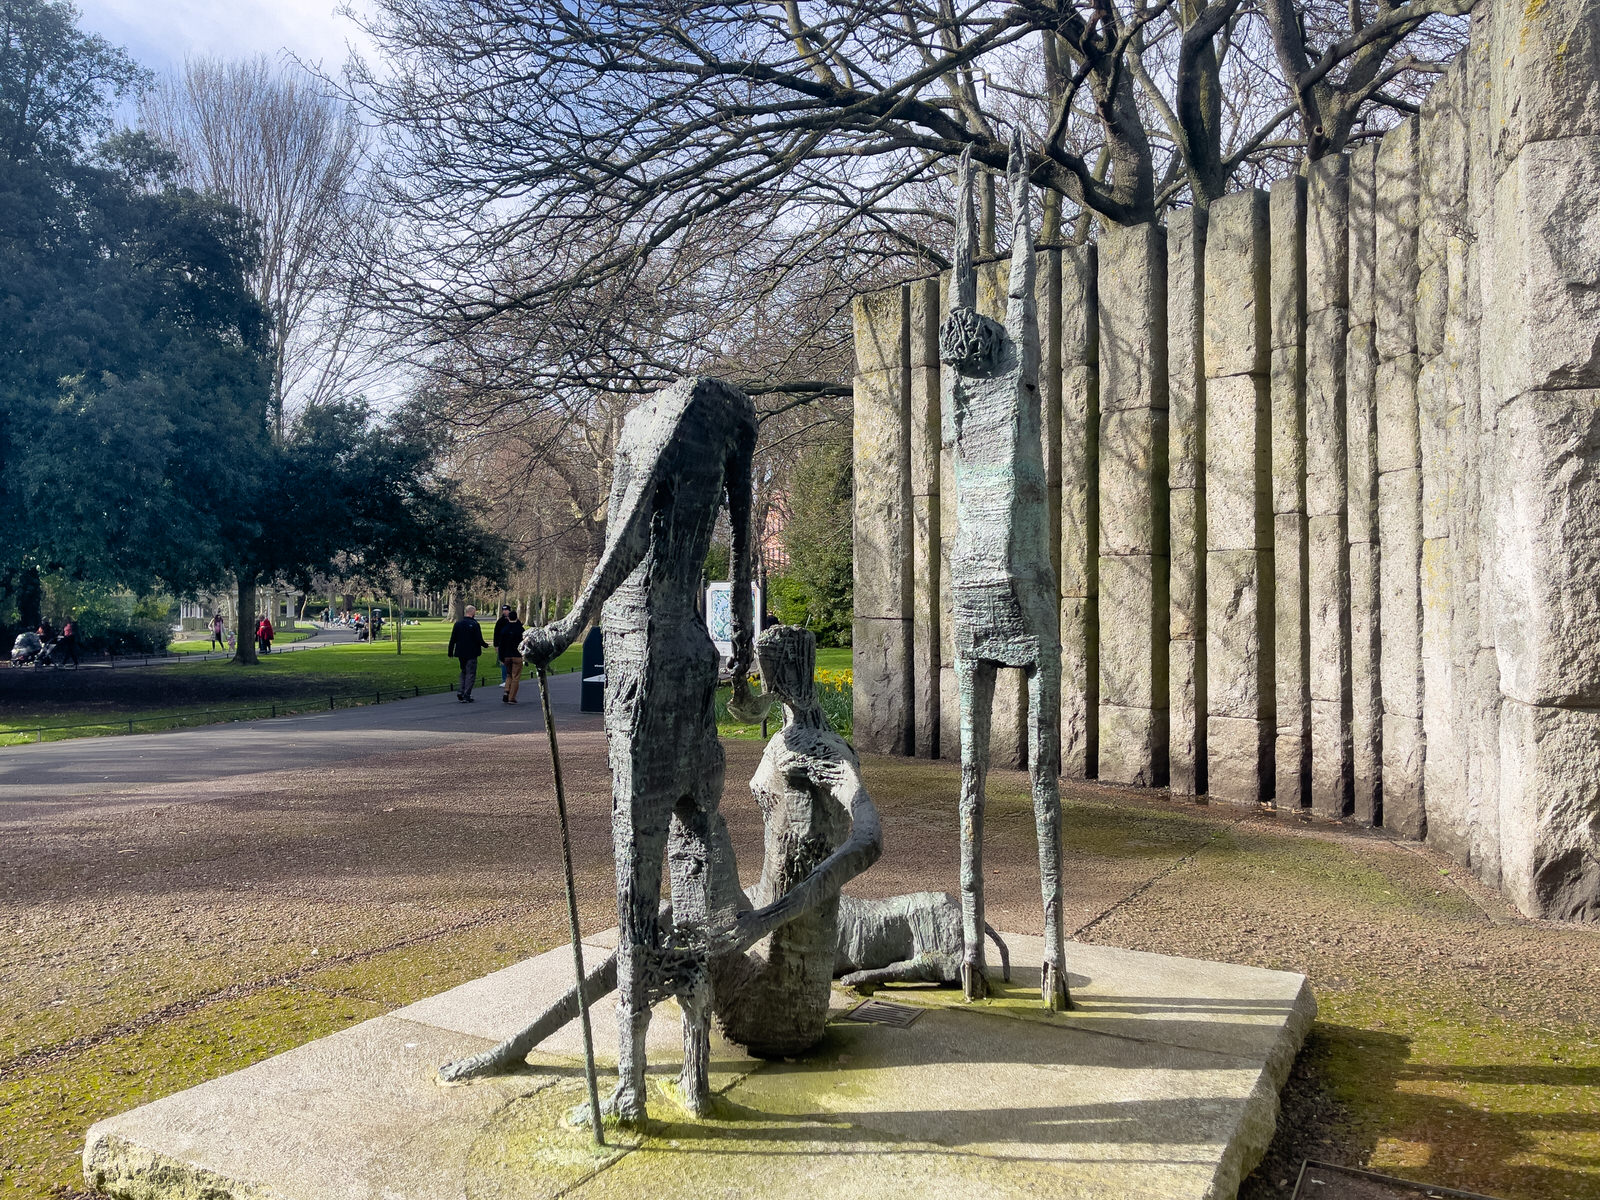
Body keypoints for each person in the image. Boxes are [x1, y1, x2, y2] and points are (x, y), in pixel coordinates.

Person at [447, 605, 489, 702]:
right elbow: (479, 639)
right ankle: (466, 694)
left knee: (463, 671)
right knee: (471, 673)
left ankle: (460, 691)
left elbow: (453, 639)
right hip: (472, 652)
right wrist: (485, 645)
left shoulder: (458, 624)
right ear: (472, 612)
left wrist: (450, 651)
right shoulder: (474, 624)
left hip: (461, 652)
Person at [494, 606, 526, 704]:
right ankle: (512, 697)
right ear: (516, 618)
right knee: (515, 677)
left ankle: (506, 691)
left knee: (508, 675)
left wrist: (501, 657)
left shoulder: (504, 630)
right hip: (517, 655)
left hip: (507, 656)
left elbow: (501, 645)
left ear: (508, 618)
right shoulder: (520, 630)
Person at [492, 604, 514, 687]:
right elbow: (496, 634)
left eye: (506, 610)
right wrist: (496, 645)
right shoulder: (500, 621)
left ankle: (511, 678)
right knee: (503, 662)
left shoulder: (513, 620)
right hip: (502, 645)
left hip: (512, 645)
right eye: (503, 610)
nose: (505, 612)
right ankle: (505, 679)